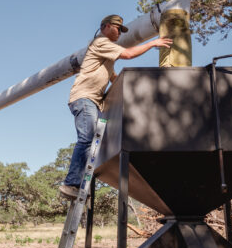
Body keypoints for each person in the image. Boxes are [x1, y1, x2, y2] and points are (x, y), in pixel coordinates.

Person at [60, 14, 172, 199]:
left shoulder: (107, 55)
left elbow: (113, 77)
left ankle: (79, 183)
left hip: (93, 101)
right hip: (84, 98)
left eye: (121, 29)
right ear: (105, 26)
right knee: (86, 139)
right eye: (117, 28)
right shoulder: (100, 42)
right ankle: (71, 183)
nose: (119, 32)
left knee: (93, 143)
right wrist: (153, 43)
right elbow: (127, 54)